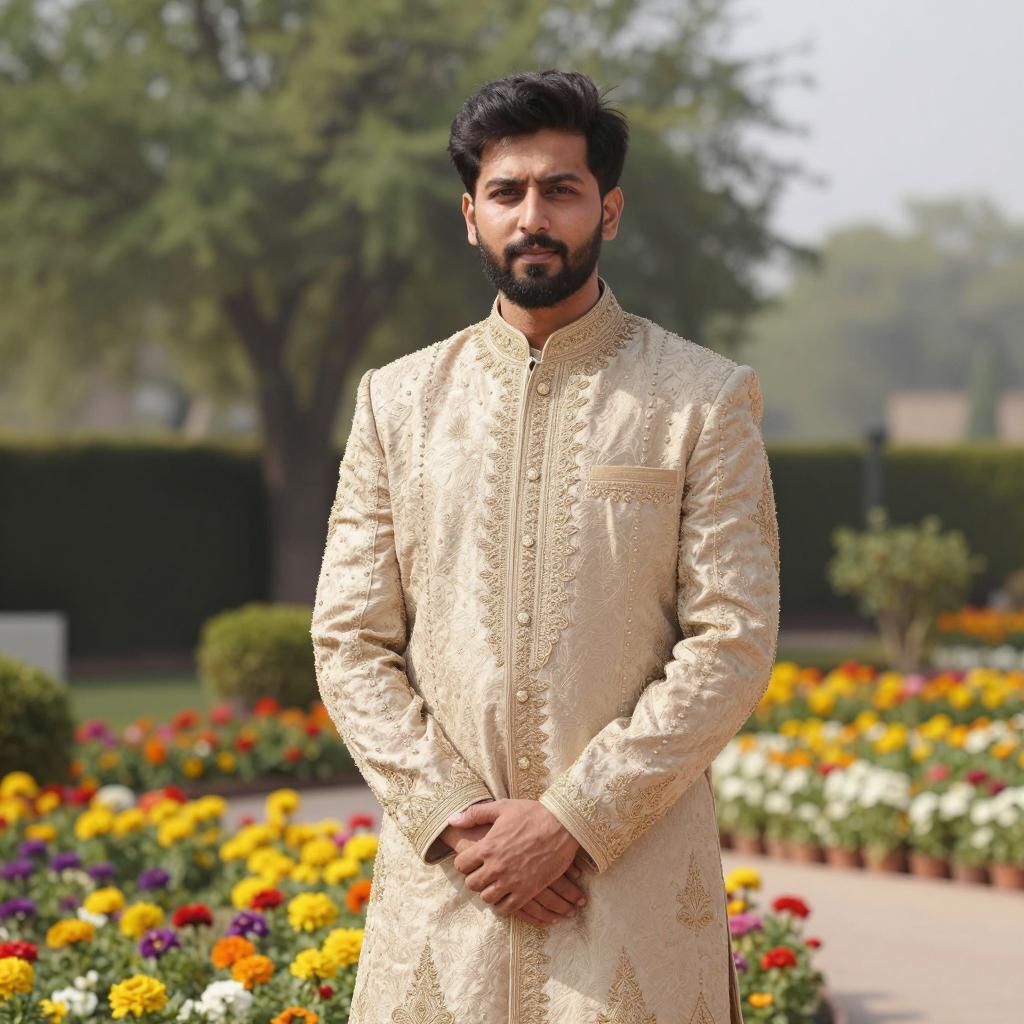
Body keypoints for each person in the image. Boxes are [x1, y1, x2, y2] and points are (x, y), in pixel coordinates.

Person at [311, 68, 780, 1024]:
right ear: (470, 216)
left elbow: (731, 639)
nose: (534, 215)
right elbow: (350, 640)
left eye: (560, 190)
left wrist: (573, 819)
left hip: (630, 892)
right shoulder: (397, 404)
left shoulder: (700, 399)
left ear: (607, 211)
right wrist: (458, 822)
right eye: (507, 192)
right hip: (453, 886)